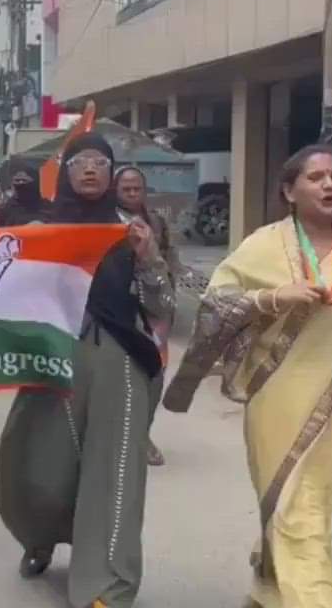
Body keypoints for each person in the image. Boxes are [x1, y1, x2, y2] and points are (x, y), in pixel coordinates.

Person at [163, 145, 332, 608]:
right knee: (298, 508)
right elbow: (214, 305)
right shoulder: (265, 244)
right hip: (277, 395)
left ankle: (269, 591)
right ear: (289, 191)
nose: (330, 184)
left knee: (310, 505)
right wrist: (274, 299)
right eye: (316, 177)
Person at [0, 133, 175, 608]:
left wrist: (150, 259)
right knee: (38, 466)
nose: (91, 169)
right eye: (81, 161)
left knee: (114, 474)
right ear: (67, 171)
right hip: (53, 357)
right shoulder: (41, 228)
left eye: (101, 161)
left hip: (119, 357)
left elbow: (163, 307)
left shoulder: (131, 229)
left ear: (112, 172)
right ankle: (39, 537)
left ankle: (108, 586)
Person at [114, 165, 181, 467]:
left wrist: (170, 295)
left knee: (155, 372)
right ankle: (121, 437)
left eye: (136, 188)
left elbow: (170, 259)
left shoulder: (157, 221)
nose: (131, 194)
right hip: (120, 308)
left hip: (155, 309)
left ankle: (143, 434)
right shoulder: (108, 222)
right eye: (125, 189)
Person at [0, 156, 51, 226]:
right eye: (17, 180)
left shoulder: (47, 207)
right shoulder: (6, 210)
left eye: (24, 180)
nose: (20, 183)